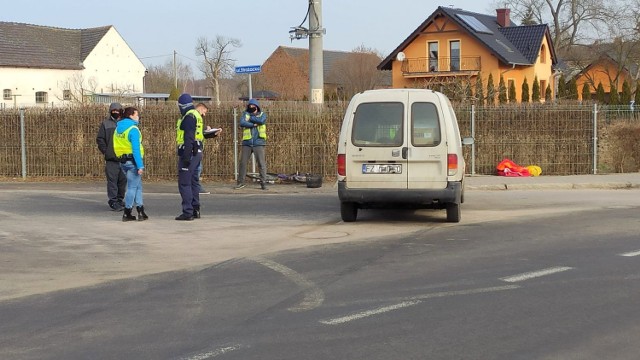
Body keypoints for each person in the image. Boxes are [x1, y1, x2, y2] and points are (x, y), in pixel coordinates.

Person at [175, 94, 216, 220]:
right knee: (193, 182)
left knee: (184, 183)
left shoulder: (188, 117)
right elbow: (199, 134)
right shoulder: (196, 115)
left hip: (189, 152)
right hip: (197, 151)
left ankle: (188, 212)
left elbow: (189, 137)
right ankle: (195, 209)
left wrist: (186, 157)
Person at [113, 106, 148, 222]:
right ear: (131, 116)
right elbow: (136, 149)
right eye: (136, 115)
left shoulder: (118, 129)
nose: (138, 117)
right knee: (132, 187)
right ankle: (127, 212)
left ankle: (140, 210)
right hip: (133, 162)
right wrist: (140, 165)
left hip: (123, 162)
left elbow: (115, 145)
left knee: (137, 186)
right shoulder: (133, 129)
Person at [96, 102, 126, 211]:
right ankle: (113, 201)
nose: (115, 112)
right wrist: (106, 151)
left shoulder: (125, 124)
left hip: (124, 158)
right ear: (110, 111)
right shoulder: (105, 124)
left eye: (117, 110)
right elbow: (100, 139)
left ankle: (120, 199)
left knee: (122, 181)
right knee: (112, 181)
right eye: (113, 111)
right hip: (111, 158)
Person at [235, 98, 268, 190]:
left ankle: (263, 182)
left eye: (253, 106)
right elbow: (242, 123)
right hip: (247, 142)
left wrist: (250, 119)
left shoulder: (262, 114)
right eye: (250, 106)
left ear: (257, 107)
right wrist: (253, 124)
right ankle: (240, 182)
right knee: (243, 163)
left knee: (261, 163)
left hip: (259, 142)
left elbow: (261, 121)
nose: (251, 108)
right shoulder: (245, 114)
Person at [194, 102, 222, 195]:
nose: (204, 114)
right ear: (200, 109)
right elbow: (196, 130)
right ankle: (196, 188)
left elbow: (200, 134)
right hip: (194, 147)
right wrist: (206, 128)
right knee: (197, 168)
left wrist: (213, 134)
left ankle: (194, 187)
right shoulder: (194, 116)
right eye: (204, 112)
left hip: (197, 146)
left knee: (197, 168)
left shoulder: (196, 117)